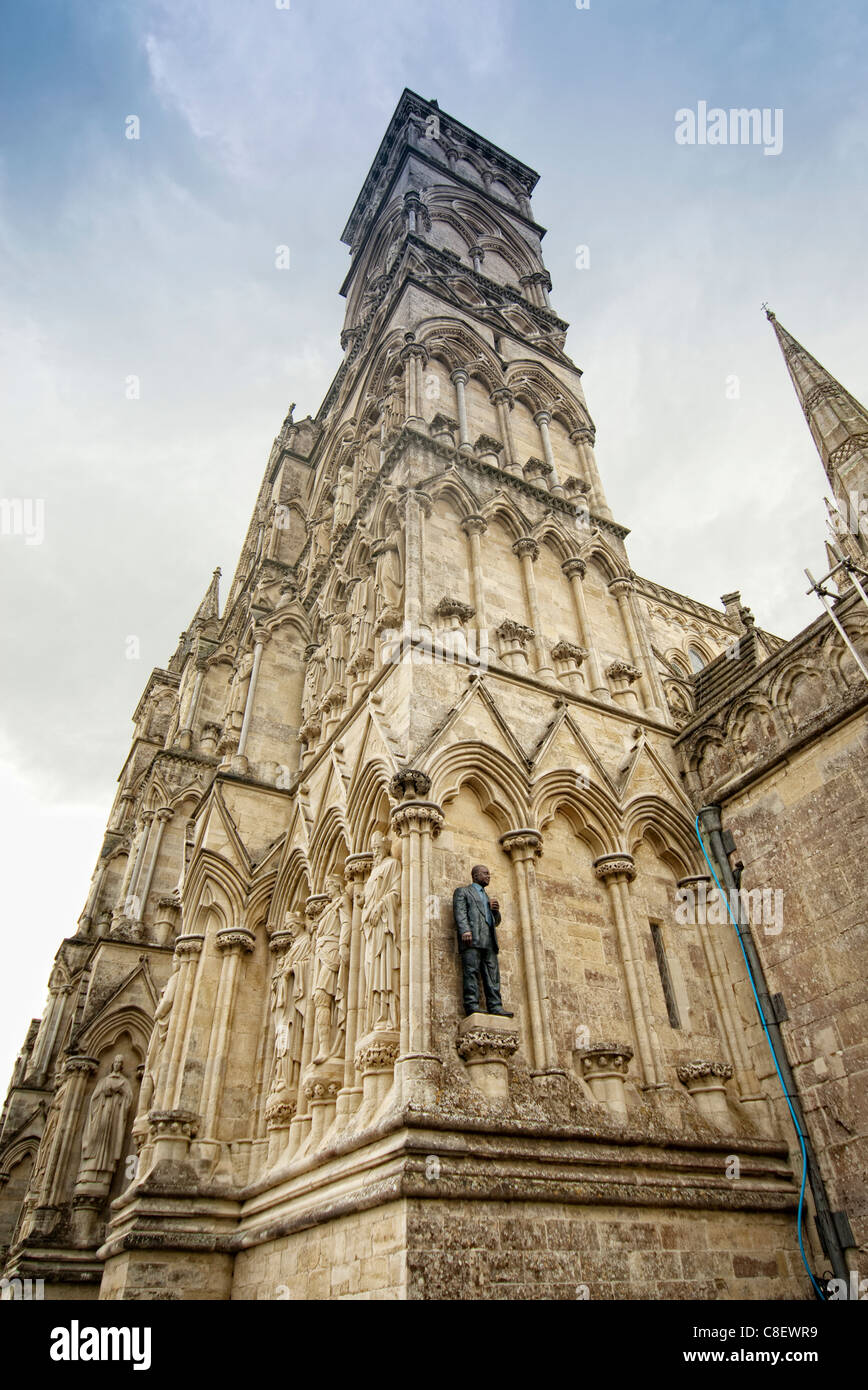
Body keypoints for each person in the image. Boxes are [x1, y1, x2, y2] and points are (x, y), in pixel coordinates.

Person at [452, 865, 513, 1017]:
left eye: (489, 874)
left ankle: (495, 1005)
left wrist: (495, 911)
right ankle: (472, 1004)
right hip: (472, 939)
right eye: (485, 873)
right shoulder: (463, 892)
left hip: (489, 941)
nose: (488, 876)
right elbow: (460, 912)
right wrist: (465, 930)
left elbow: (496, 922)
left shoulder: (487, 897)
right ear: (475, 875)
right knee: (471, 971)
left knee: (493, 974)